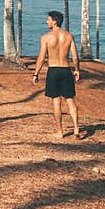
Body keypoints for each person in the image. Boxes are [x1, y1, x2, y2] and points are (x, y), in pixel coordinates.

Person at [33, 10, 82, 139]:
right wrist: (77, 69)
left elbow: (41, 58)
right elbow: (75, 56)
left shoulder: (46, 38)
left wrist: (36, 73)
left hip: (53, 71)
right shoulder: (69, 36)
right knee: (70, 100)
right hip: (66, 70)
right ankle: (76, 128)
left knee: (56, 101)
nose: (47, 22)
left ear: (54, 21)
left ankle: (60, 132)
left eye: (48, 20)